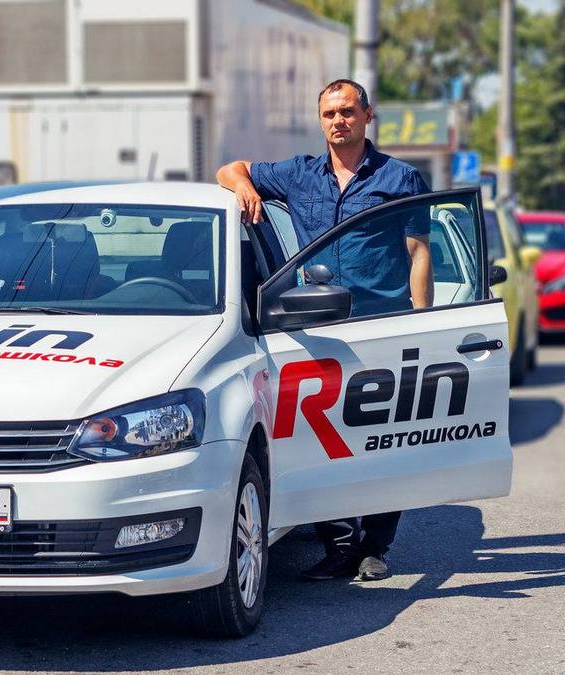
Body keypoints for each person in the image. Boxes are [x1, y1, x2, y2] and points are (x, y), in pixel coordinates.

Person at [216, 78, 433, 582]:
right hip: (316, 329)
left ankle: (375, 546)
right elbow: (229, 169)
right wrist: (244, 186)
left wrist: (423, 324)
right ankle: (338, 546)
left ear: (367, 116)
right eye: (330, 113)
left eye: (348, 111)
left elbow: (418, 253)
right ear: (321, 121)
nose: (339, 120)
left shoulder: (400, 178)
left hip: (379, 325)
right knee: (321, 439)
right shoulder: (298, 174)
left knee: (381, 440)